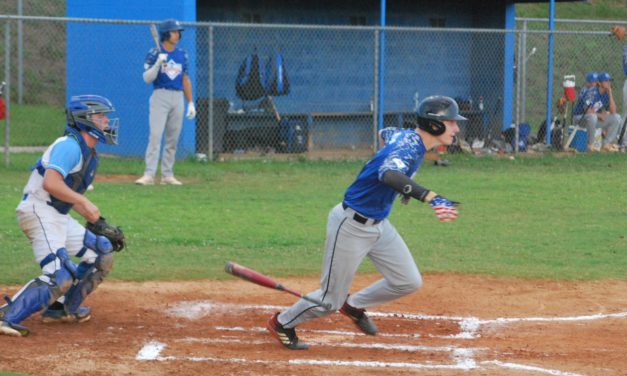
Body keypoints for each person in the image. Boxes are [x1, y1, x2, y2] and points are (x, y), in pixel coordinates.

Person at [266, 95, 463, 350]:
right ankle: (283, 323)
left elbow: (385, 133)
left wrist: (403, 184)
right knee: (329, 300)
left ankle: (354, 305)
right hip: (351, 226)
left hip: (379, 225)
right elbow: (389, 174)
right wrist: (429, 197)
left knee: (407, 280)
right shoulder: (409, 146)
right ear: (434, 125)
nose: (456, 128)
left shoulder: (406, 138)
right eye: (451, 122)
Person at [0, 95, 121, 337]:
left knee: (102, 251)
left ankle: (61, 309)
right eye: (101, 116)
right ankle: (6, 316)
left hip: (55, 214)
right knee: (59, 276)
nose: (107, 121)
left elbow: (65, 195)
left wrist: (98, 221)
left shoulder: (88, 154)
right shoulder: (70, 146)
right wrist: (84, 201)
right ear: (85, 121)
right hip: (38, 211)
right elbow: (51, 183)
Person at [136, 19, 196, 186]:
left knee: (173, 138)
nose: (177, 34)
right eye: (174, 31)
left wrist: (190, 102)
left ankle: (167, 175)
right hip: (160, 95)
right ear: (166, 33)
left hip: (177, 97)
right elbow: (147, 78)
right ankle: (149, 174)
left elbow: (185, 78)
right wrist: (157, 65)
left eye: (178, 32)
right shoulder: (154, 53)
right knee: (155, 136)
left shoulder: (182, 54)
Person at [573, 72, 621, 152]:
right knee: (592, 116)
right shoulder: (592, 92)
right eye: (606, 81)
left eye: (609, 81)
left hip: (593, 119)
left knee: (617, 117)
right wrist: (600, 115)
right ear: (599, 83)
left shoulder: (606, 94)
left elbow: (613, 111)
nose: (609, 83)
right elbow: (587, 110)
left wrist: (610, 93)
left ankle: (606, 144)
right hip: (580, 118)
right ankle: (590, 144)